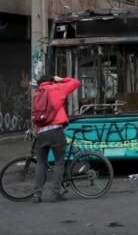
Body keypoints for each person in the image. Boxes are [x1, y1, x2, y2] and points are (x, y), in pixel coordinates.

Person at [32, 75, 81, 203]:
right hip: (55, 131)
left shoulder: (37, 94)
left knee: (41, 163)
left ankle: (37, 195)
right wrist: (61, 79)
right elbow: (76, 82)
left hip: (41, 132)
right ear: (52, 81)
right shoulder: (57, 88)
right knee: (59, 162)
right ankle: (55, 194)